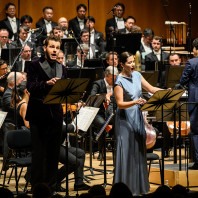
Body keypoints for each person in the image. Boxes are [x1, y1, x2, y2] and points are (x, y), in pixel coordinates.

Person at [114, 51, 161, 195]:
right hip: (125, 120)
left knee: (138, 152)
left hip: (137, 118)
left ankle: (139, 187)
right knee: (127, 152)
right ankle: (124, 190)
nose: (133, 64)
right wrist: (135, 101)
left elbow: (152, 89)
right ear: (122, 64)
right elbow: (120, 104)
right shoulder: (119, 80)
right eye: (129, 62)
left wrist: (165, 92)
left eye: (133, 61)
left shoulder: (137, 75)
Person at [26, 35, 66, 192]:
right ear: (45, 48)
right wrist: (45, 84)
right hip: (38, 115)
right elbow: (30, 86)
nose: (54, 50)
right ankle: (37, 187)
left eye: (57, 47)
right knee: (39, 154)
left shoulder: (62, 68)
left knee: (53, 154)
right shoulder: (34, 65)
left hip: (55, 116)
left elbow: (63, 90)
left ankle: (51, 186)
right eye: (52, 47)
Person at [90, 66, 119, 159]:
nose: (114, 80)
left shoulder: (117, 84)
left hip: (112, 113)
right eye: (112, 78)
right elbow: (92, 96)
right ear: (106, 76)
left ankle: (116, 150)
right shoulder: (98, 84)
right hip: (99, 113)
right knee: (103, 124)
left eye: (116, 78)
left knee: (119, 122)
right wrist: (105, 96)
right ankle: (101, 151)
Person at [180, 38, 198, 170]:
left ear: (196, 49)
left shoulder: (191, 63)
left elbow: (183, 80)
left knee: (196, 131)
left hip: (195, 100)